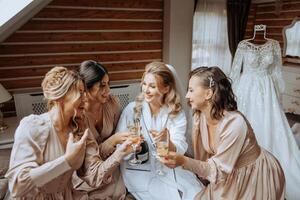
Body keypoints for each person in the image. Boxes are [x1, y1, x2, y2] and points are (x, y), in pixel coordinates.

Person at [5, 66, 133, 199]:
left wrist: (120, 153)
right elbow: (18, 186)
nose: (85, 98)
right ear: (60, 97)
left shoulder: (80, 130)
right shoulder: (33, 126)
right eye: (80, 93)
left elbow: (94, 176)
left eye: (84, 92)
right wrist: (66, 162)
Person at [160, 66, 286, 200]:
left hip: (254, 175)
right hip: (226, 171)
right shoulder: (200, 117)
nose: (187, 95)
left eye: (191, 90)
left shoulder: (234, 123)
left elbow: (217, 170)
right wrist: (170, 145)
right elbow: (204, 158)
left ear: (208, 94)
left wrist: (183, 161)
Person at [116, 62, 203, 200]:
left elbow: (179, 147)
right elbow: (118, 145)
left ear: (166, 88)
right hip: (139, 169)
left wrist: (167, 141)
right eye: (144, 84)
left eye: (152, 86)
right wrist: (133, 148)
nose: (146, 90)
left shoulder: (175, 113)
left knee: (194, 192)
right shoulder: (131, 109)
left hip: (169, 166)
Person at [73, 60, 132, 198]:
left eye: (108, 84)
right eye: (102, 86)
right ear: (86, 88)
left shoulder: (112, 103)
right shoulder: (78, 116)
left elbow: (120, 134)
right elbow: (83, 161)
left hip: (111, 162)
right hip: (87, 169)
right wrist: (111, 141)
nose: (108, 90)